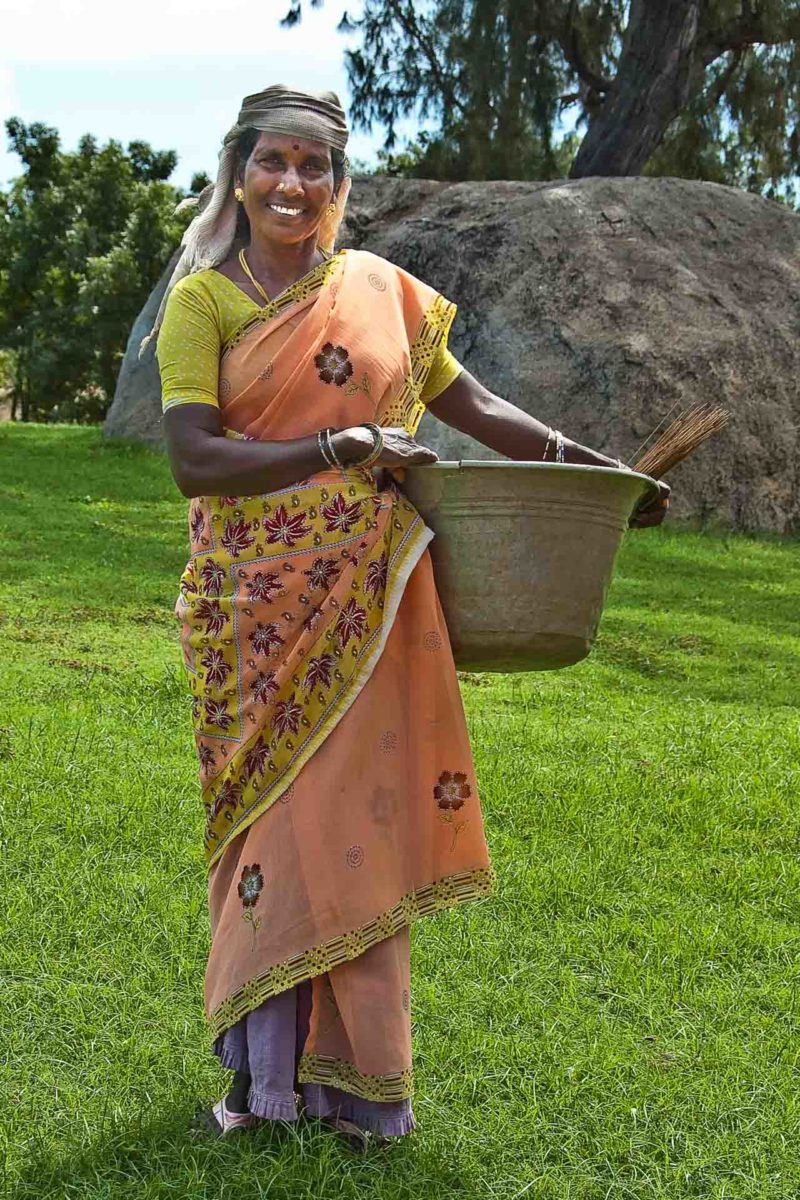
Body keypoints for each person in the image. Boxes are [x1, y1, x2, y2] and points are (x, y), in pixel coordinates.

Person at [153, 84, 670, 1152]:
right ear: (238, 172)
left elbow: (474, 407)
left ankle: (358, 1094)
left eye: (314, 168)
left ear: (339, 188)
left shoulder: (382, 292)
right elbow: (191, 458)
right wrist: (334, 451)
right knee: (275, 831)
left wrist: (596, 468)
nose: (290, 186)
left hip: (372, 603)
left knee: (352, 833)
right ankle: (264, 1087)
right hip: (252, 614)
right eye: (272, 163)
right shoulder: (204, 301)